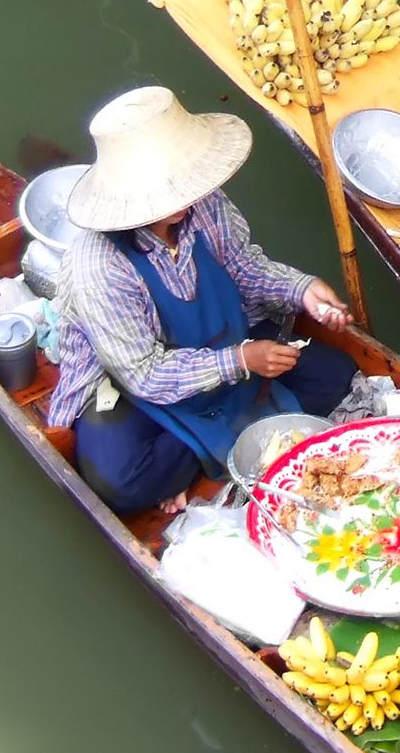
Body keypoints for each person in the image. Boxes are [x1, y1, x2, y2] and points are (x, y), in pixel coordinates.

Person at [45, 86, 359, 514]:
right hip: (136, 387)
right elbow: (143, 374)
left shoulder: (201, 204)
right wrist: (242, 360)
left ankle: (202, 454)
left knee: (336, 374)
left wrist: (301, 290)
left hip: (222, 342)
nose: (183, 201)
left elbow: (243, 267)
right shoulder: (99, 266)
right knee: (122, 484)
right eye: (167, 193)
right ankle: (221, 444)